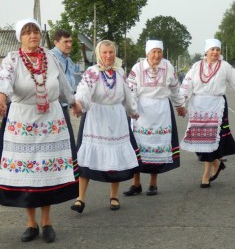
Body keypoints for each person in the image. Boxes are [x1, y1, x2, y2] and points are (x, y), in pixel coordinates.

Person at [0, 18, 79, 243]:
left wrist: (73, 102)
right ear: (20, 37)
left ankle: (47, 222)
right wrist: (2, 97)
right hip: (23, 121)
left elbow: (62, 83)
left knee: (46, 172)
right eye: (27, 33)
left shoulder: (50, 58)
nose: (33, 35)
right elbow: (4, 80)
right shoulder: (12, 59)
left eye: (35, 31)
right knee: (27, 174)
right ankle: (30, 223)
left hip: (50, 121)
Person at [70, 40, 141, 213]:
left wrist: (133, 111)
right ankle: (80, 199)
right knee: (87, 159)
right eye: (104, 53)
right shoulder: (92, 72)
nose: (108, 56)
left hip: (116, 118)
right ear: (98, 54)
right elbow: (83, 90)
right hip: (96, 118)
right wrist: (79, 103)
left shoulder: (119, 72)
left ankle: (114, 196)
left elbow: (127, 95)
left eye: (111, 52)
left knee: (114, 158)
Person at [180, 38, 235, 188]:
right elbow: (186, 86)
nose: (215, 52)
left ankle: (206, 174)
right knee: (198, 142)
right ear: (206, 51)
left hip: (217, 106)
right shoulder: (197, 66)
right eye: (212, 49)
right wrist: (181, 105)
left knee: (211, 141)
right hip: (198, 107)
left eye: (218, 49)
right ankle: (217, 163)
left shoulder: (225, 67)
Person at [124, 40, 186, 196]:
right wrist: (131, 109)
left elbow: (175, 90)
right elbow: (130, 91)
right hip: (142, 111)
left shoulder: (168, 67)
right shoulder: (137, 68)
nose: (157, 55)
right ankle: (136, 183)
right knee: (137, 146)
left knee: (157, 146)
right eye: (154, 52)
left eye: (159, 52)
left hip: (161, 111)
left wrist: (180, 106)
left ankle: (153, 183)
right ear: (147, 53)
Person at [50, 29, 79, 168]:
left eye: (70, 41)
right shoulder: (51, 58)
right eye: (65, 41)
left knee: (66, 140)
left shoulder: (69, 60)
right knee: (58, 141)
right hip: (53, 106)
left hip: (64, 105)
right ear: (56, 42)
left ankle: (64, 171)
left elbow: (71, 83)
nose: (69, 44)